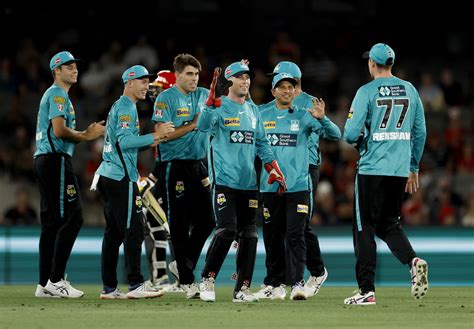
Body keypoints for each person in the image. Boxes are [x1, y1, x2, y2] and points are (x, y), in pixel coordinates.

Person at [343, 43, 428, 305]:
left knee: (364, 228)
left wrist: (362, 138)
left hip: (371, 169)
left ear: (372, 64)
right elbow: (420, 132)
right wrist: (413, 167)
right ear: (390, 64)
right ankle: (413, 261)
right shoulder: (411, 90)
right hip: (399, 170)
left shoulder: (366, 92)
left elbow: (348, 134)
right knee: (388, 224)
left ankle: (366, 290)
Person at [197, 62, 287, 303]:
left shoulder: (253, 110)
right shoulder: (217, 106)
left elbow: (262, 145)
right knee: (226, 231)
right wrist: (207, 106)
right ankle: (206, 279)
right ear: (230, 81)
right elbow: (202, 127)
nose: (246, 81)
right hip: (225, 181)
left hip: (248, 183)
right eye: (240, 77)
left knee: (249, 235)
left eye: (248, 77)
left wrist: (274, 169)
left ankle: (241, 290)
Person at [256, 61, 340, 300]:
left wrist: (323, 119)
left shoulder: (306, 113)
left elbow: (335, 135)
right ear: (273, 90)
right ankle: (275, 284)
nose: (286, 90)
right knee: (272, 236)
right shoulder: (261, 113)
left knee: (296, 233)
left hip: (299, 182)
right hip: (270, 184)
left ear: (295, 89)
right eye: (280, 86)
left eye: (289, 86)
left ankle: (297, 283)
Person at [92, 65, 174, 299]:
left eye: (148, 82)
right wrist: (157, 136)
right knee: (134, 229)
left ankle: (109, 287)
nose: (147, 86)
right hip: (120, 176)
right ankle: (136, 285)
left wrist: (151, 140)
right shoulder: (127, 108)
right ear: (128, 83)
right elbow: (126, 142)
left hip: (108, 174)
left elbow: (122, 142)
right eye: (142, 81)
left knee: (113, 234)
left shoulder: (119, 106)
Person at [33, 51, 105, 298]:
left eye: (75, 66)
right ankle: (55, 279)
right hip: (55, 160)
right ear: (57, 70)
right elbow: (60, 130)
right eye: (68, 66)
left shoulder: (56, 95)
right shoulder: (58, 95)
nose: (74, 69)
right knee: (72, 218)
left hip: (46, 159)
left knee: (52, 222)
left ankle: (45, 284)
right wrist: (87, 135)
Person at [152, 54, 215, 299]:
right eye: (189, 74)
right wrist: (192, 125)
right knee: (178, 224)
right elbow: (161, 135)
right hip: (173, 165)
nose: (193, 78)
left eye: (196, 74)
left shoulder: (203, 95)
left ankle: (183, 263)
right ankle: (188, 282)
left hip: (199, 165)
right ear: (177, 75)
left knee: (208, 221)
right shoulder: (165, 99)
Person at [141, 70, 177, 291]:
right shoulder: (164, 115)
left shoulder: (172, 116)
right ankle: (163, 276)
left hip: (175, 177)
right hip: (167, 176)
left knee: (169, 225)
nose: (155, 93)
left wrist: (151, 179)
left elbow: (170, 156)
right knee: (156, 222)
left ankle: (179, 274)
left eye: (160, 89)